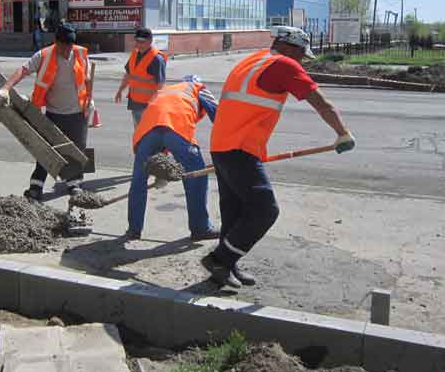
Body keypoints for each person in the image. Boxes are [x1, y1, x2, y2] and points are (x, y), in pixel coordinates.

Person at [201, 26, 356, 288]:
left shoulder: (254, 59)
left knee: (235, 211)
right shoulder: (284, 64)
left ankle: (226, 265)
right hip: (240, 148)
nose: (302, 62)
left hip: (222, 145)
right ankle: (220, 259)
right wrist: (343, 133)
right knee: (265, 210)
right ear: (291, 47)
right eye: (302, 55)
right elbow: (320, 102)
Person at [0, 23, 90, 199]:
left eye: (70, 45)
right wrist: (6, 89)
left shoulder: (81, 53)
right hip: (53, 113)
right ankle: (36, 186)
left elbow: (88, 79)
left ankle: (74, 185)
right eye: (64, 46)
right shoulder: (44, 55)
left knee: (77, 150)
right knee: (46, 150)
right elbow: (23, 70)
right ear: (56, 42)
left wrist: (89, 102)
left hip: (78, 113)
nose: (68, 50)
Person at [125, 75, 220, 241]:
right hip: (176, 128)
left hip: (146, 132)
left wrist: (161, 169)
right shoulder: (198, 87)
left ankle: (133, 229)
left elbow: (160, 123)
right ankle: (200, 228)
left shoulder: (167, 90)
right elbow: (219, 116)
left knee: (139, 180)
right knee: (197, 176)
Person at [114, 28, 167, 128]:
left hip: (149, 105)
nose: (139, 44)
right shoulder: (135, 54)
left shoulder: (156, 59)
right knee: (138, 133)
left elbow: (160, 85)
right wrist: (120, 90)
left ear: (150, 41)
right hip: (135, 103)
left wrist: (153, 104)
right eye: (137, 41)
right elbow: (128, 74)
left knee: (148, 135)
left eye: (142, 42)